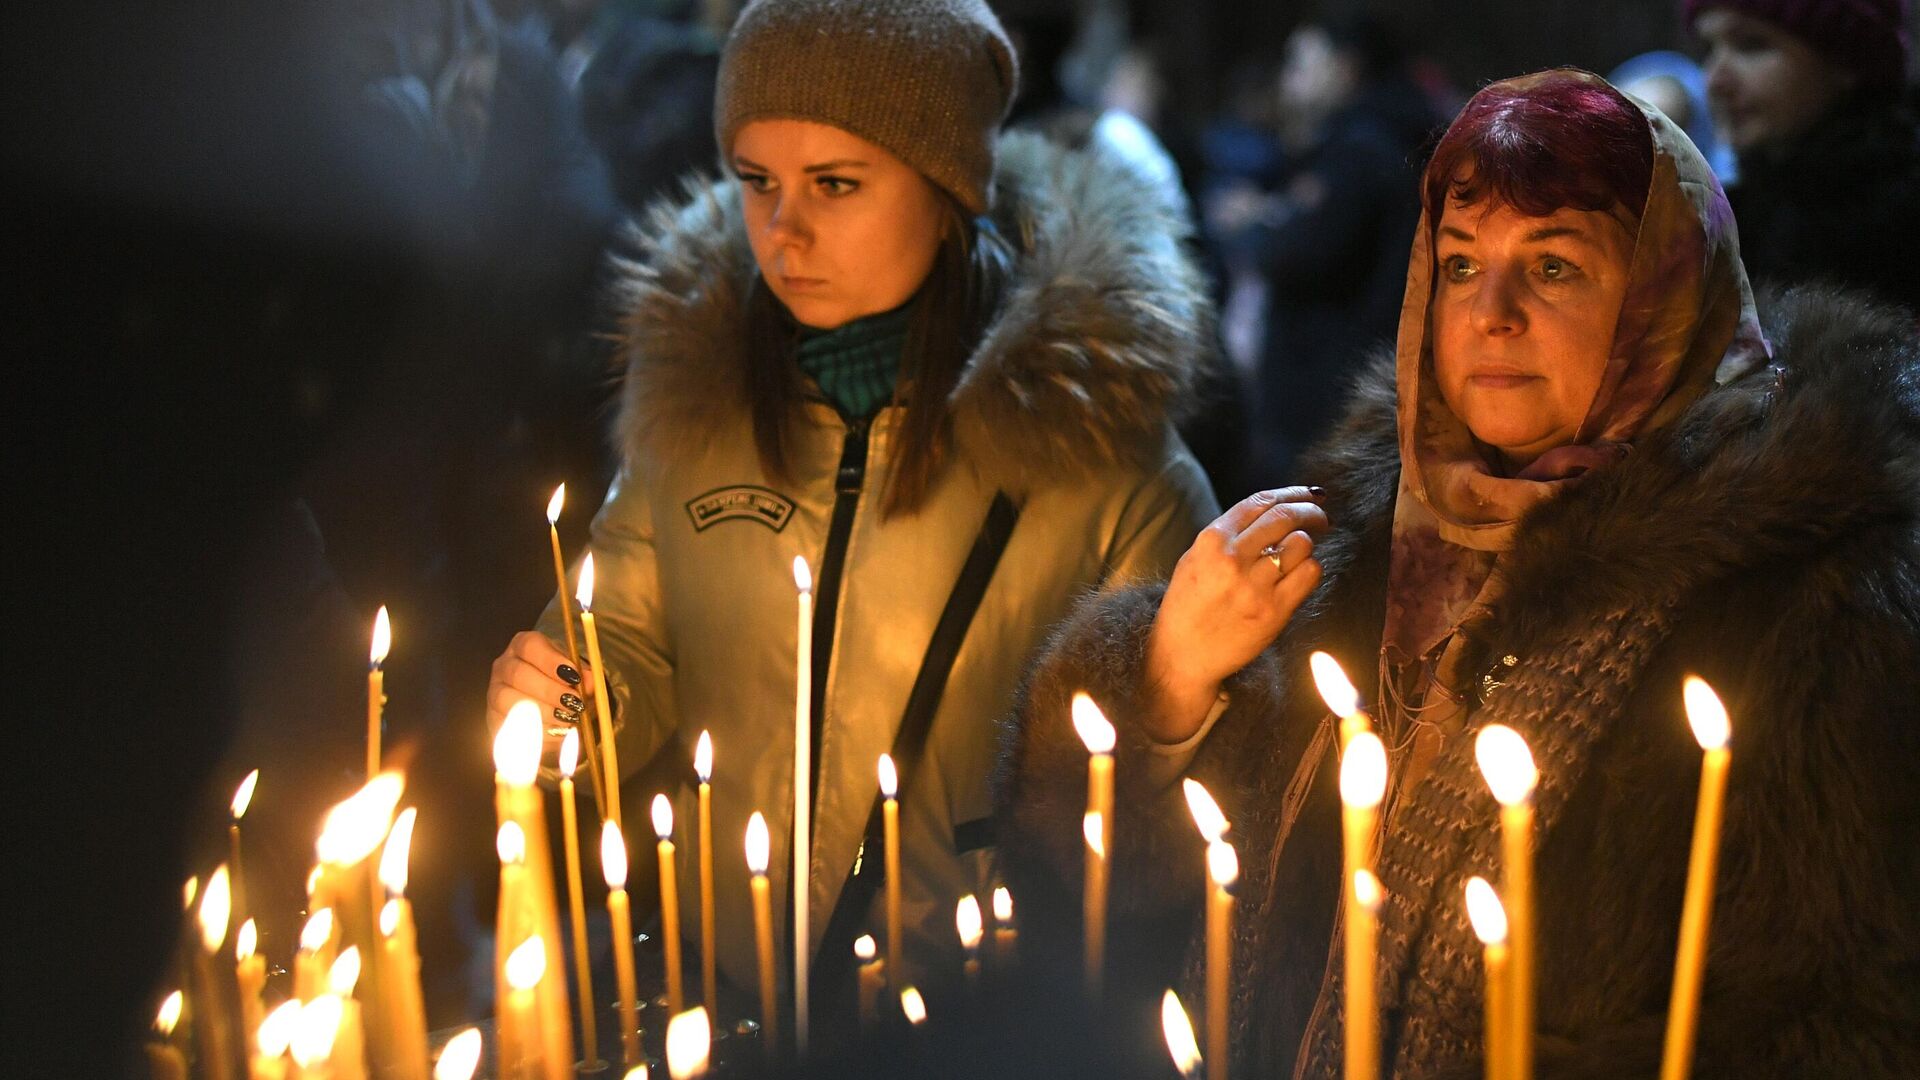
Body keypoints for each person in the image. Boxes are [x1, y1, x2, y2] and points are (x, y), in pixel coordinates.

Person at [999, 69, 1920, 1076]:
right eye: (1462, 263)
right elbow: (1124, 905)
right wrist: (1167, 688)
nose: (1494, 313)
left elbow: (1837, 1016)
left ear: (1664, 292)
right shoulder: (1343, 544)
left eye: (1557, 267)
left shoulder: (1808, 598)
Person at [485, 0, 1219, 1036]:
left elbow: (1174, 771)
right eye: (757, 183)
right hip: (727, 999)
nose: (784, 231)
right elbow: (626, 636)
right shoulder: (695, 405)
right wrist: (566, 705)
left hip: (975, 1024)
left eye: (836, 184)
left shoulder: (1100, 449)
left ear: (948, 187)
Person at [1208, 14, 1444, 481]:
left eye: (1301, 61)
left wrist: (1259, 225)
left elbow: (1303, 250)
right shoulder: (1395, 136)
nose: (1289, 76)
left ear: (1345, 66)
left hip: (1329, 393)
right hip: (1363, 382)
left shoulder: (1361, 149)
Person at [1688, 0, 1920, 313]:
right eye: (1707, 49)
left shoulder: (1898, 231)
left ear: (1846, 60)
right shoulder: (1737, 217)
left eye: (1751, 45)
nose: (1715, 80)